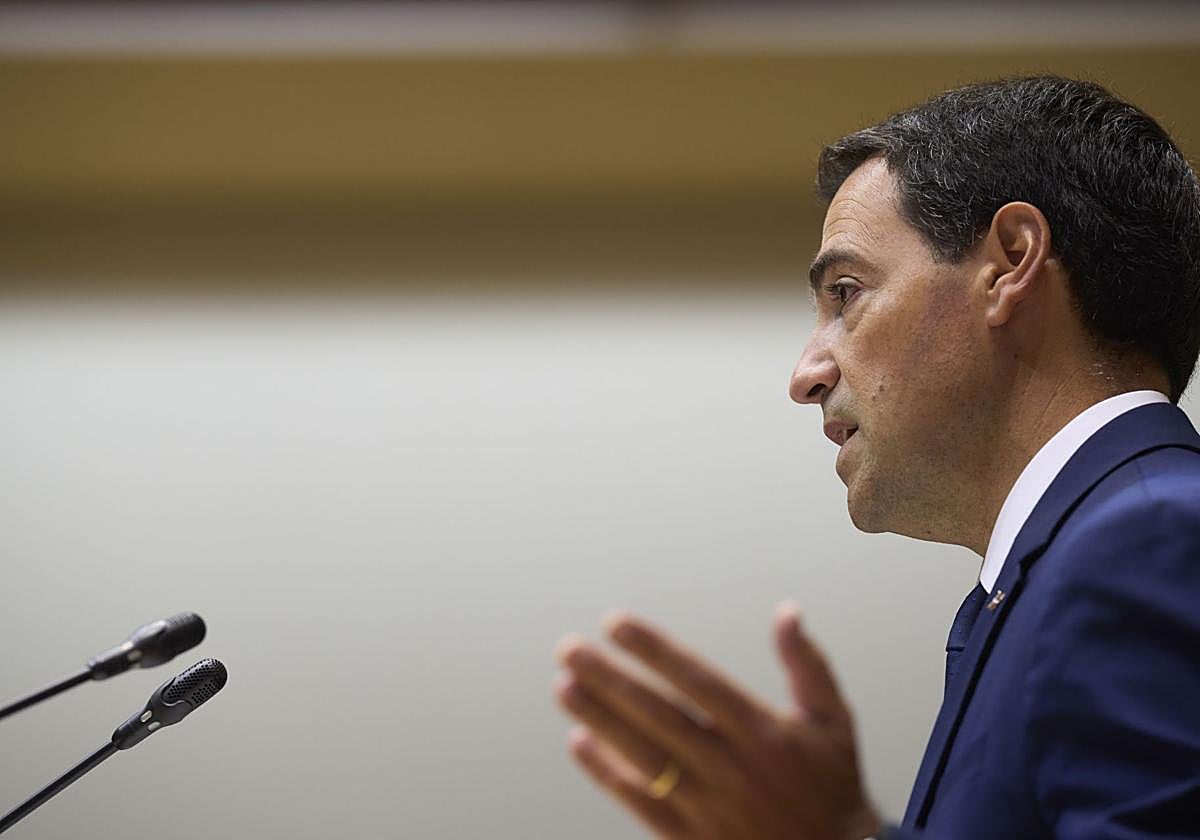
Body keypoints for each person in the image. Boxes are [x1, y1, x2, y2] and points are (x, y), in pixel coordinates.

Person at [552, 74, 1200, 839]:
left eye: (846, 293)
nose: (806, 375)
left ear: (1010, 262)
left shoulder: (1151, 540)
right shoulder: (1075, 563)